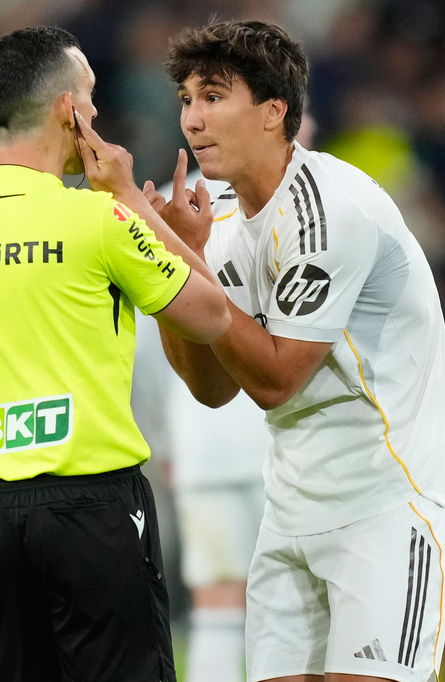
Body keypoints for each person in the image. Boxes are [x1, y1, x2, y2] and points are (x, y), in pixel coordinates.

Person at [0, 26, 230, 682]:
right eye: (90, 97)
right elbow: (212, 317)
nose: (96, 113)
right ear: (68, 109)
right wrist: (133, 200)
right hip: (98, 511)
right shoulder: (99, 218)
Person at [145, 20, 445, 682]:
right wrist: (177, 266)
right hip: (292, 509)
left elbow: (274, 380)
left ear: (275, 113)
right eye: (186, 99)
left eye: (213, 96)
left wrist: (187, 268)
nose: (193, 118)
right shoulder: (227, 221)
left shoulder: (329, 211)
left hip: (389, 506)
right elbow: (212, 387)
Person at [140, 107, 316, 682]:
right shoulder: (310, 208)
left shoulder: (162, 207)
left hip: (205, 441)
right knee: (295, 603)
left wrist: (158, 433)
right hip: (282, 437)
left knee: (219, 603)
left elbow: (144, 339)